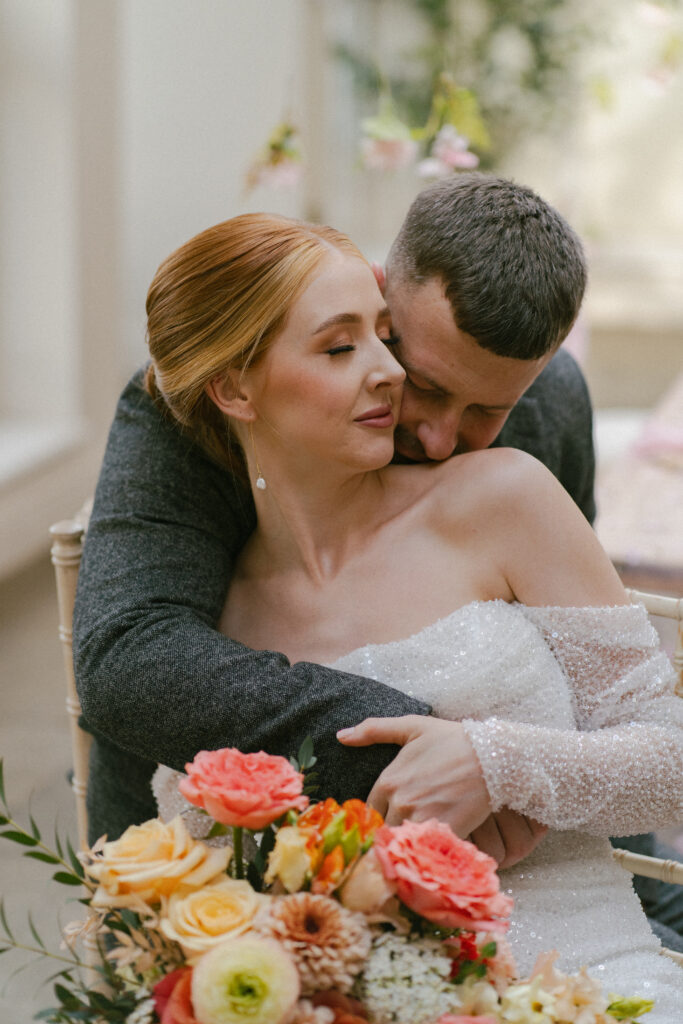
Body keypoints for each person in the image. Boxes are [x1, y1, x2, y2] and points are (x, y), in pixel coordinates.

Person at [73, 175, 678, 938]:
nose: (433, 437)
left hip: (553, 900)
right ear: (380, 298)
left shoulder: (544, 419)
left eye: (488, 412)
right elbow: (133, 661)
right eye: (424, 384)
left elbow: (593, 680)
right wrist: (430, 755)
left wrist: (627, 898)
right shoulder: (194, 409)